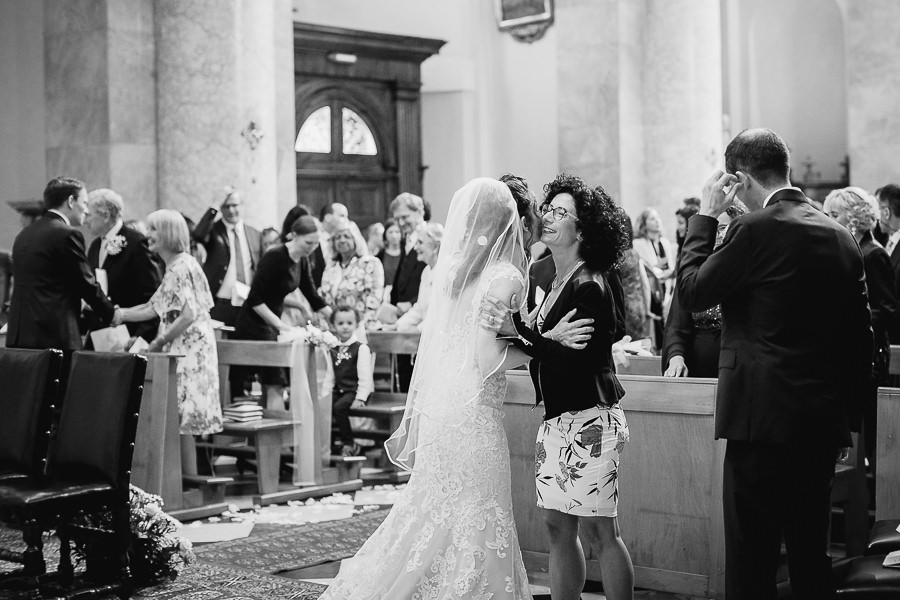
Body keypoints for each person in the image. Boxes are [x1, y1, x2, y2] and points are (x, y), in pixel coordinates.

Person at [677, 128, 873, 600]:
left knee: (752, 557)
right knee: (810, 553)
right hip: (819, 424)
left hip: (759, 424)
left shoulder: (750, 230)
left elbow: (692, 291)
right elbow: (859, 341)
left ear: (738, 177)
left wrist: (705, 216)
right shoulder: (839, 233)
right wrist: (847, 423)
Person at [320, 178, 535, 599]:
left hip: (441, 406)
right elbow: (489, 360)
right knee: (480, 509)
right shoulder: (506, 276)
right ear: (506, 222)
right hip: (474, 411)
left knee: (432, 509)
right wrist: (544, 348)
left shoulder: (457, 274)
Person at [486, 174, 635, 600]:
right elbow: (545, 345)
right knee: (556, 524)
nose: (548, 216)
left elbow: (575, 361)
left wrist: (525, 333)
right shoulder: (553, 277)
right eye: (548, 208)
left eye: (561, 212)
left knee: (600, 529)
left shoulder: (589, 284)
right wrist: (531, 335)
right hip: (559, 417)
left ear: (583, 229)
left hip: (589, 418)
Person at [116, 209, 223, 476]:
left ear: (168, 233)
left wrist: (159, 341)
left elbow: (189, 314)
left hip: (189, 348)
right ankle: (185, 478)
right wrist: (117, 314)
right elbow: (154, 307)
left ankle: (187, 479)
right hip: (184, 345)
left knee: (183, 411)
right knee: (180, 413)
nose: (147, 236)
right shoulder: (176, 264)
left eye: (153, 230)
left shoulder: (181, 266)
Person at [824, 186, 896, 473]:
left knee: (868, 427)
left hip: (871, 353)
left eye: (834, 214)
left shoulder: (872, 254)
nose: (828, 219)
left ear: (854, 218)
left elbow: (887, 310)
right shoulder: (849, 249)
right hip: (854, 348)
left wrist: (847, 316)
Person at [7, 176, 118, 351]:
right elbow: (85, 283)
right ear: (71, 201)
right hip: (53, 334)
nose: (86, 210)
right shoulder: (66, 235)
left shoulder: (24, 235)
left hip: (21, 333)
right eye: (85, 202)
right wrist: (110, 313)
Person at [232, 215, 328, 408]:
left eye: (316, 244)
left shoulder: (302, 260)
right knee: (274, 379)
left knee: (275, 379)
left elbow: (311, 294)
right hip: (255, 322)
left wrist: (332, 314)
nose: (312, 248)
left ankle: (270, 427)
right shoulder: (275, 256)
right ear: (294, 236)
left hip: (272, 323)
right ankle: (277, 433)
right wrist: (280, 325)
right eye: (308, 242)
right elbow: (254, 298)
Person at [662, 200, 749, 378]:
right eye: (713, 229)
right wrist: (676, 356)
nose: (717, 235)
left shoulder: (748, 268)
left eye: (723, 228)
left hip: (740, 369)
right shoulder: (694, 269)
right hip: (696, 367)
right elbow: (677, 326)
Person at [84, 188, 162, 344]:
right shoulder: (95, 246)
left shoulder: (136, 243)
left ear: (105, 216)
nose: (85, 221)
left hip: (129, 334)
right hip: (100, 333)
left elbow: (152, 294)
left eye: (89, 215)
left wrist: (141, 337)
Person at [192, 189, 264, 326]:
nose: (231, 211)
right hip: (221, 302)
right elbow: (198, 235)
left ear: (242, 206)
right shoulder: (214, 231)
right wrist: (213, 207)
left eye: (235, 205)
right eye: (226, 206)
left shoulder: (255, 234)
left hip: (248, 303)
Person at [321, 305, 374, 457]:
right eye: (340, 323)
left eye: (349, 323)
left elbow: (365, 376)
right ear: (333, 325)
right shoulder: (333, 349)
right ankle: (328, 443)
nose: (345, 327)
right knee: (325, 407)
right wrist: (325, 394)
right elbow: (330, 375)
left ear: (356, 325)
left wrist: (361, 397)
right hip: (340, 390)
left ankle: (348, 442)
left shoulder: (361, 348)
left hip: (354, 390)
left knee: (339, 407)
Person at [319, 217, 384, 333]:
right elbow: (324, 299)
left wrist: (359, 326)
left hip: (362, 329)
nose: (342, 240)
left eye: (346, 236)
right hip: (335, 329)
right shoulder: (330, 268)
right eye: (337, 238)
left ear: (356, 239)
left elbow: (374, 298)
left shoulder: (369, 263)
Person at [279, 205, 329, 328]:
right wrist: (300, 306)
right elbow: (268, 294)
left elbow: (309, 287)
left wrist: (327, 313)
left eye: (316, 243)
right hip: (284, 309)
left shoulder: (306, 255)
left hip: (305, 304)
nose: (312, 247)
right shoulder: (278, 254)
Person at [632, 208, 675, 349]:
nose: (657, 221)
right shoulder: (638, 243)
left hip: (666, 290)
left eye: (658, 218)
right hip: (649, 292)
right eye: (652, 218)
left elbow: (671, 268)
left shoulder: (665, 242)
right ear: (644, 223)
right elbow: (646, 269)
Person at [393, 222, 443, 332]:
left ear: (435, 246)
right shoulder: (426, 271)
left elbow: (441, 313)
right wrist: (397, 326)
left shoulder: (445, 271)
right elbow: (420, 308)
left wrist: (418, 329)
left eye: (420, 243)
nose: (415, 248)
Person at [310, 202, 349, 287]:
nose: (347, 220)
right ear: (328, 217)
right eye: (342, 216)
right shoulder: (311, 238)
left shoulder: (346, 243)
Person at [375, 219, 402, 301]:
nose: (394, 236)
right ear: (385, 234)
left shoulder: (406, 254)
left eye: (397, 232)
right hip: (384, 295)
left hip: (401, 294)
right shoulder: (379, 256)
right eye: (391, 232)